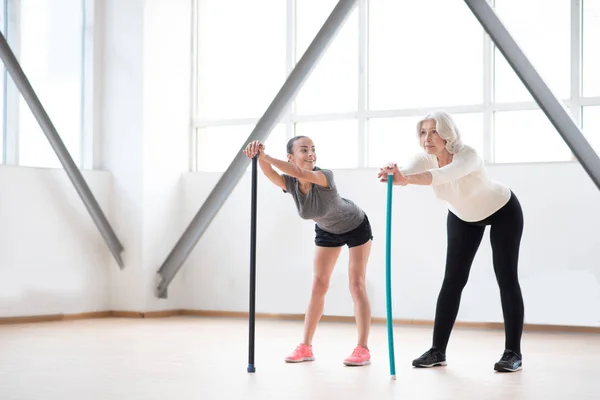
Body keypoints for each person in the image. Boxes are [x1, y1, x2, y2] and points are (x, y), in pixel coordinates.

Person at [377, 110, 525, 373]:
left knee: (506, 278)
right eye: (423, 132)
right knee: (453, 280)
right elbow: (407, 171)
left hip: (502, 210)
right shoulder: (425, 158)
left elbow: (442, 176)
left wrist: (406, 179)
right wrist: (394, 173)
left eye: (434, 131)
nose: (427, 138)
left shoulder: (467, 155)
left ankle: (513, 353)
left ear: (447, 133)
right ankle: (437, 351)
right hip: (462, 216)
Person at [243, 136, 374, 367]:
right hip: (326, 230)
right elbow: (269, 173)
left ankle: (362, 349)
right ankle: (305, 346)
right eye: (304, 150)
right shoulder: (291, 184)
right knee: (319, 284)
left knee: (356, 284)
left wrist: (267, 157)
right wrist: (259, 154)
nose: (311, 154)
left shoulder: (324, 176)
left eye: (313, 149)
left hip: (355, 225)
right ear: (291, 157)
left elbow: (300, 173)